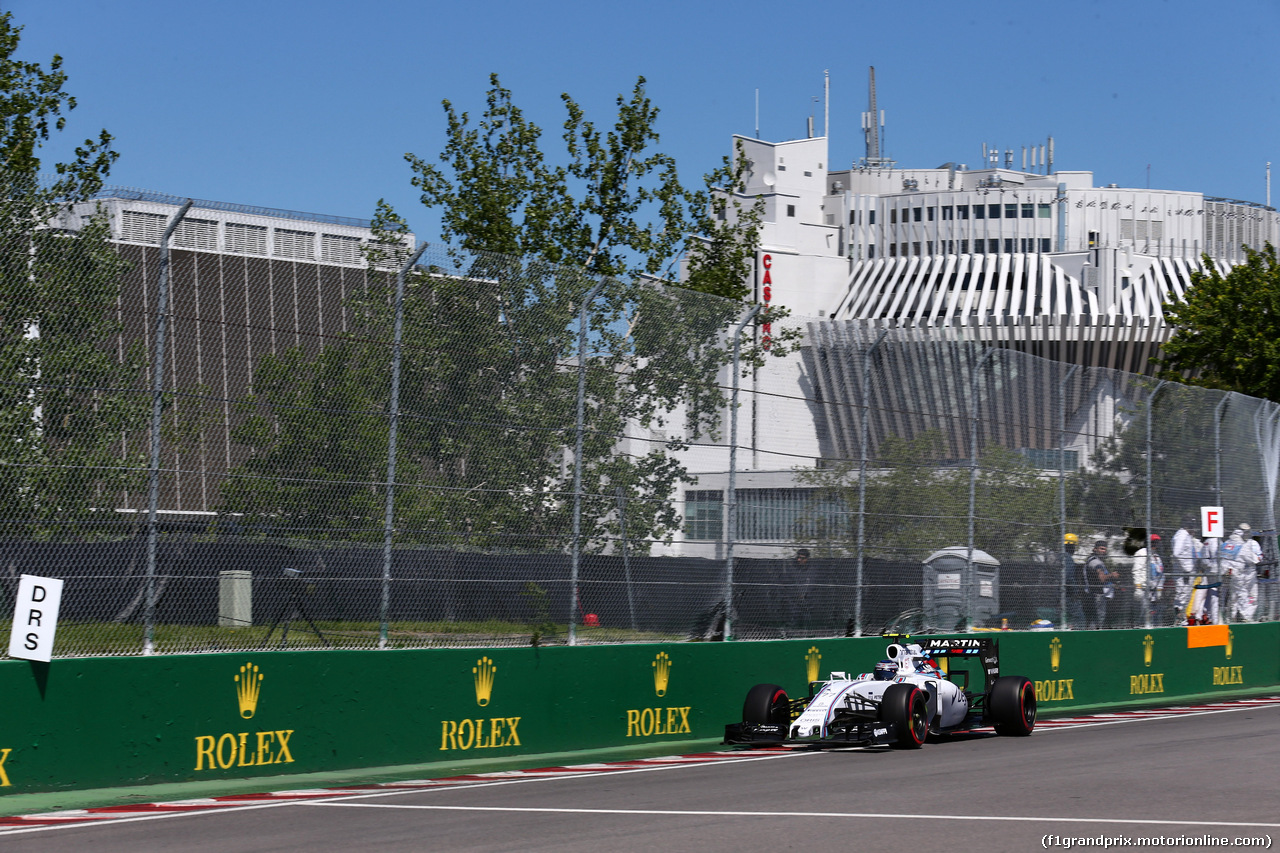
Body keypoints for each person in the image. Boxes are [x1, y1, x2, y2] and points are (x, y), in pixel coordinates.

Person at [1227, 524, 1262, 622]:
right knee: (1234, 597)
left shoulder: (1253, 543)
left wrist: (1255, 558)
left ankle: (1246, 616)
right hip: (1238, 574)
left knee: (1252, 596)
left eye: (1247, 531)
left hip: (1250, 574)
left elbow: (1259, 557)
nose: (1245, 533)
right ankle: (1232, 618)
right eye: (1243, 531)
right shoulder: (1235, 543)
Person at [1171, 515, 1200, 625]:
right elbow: (1176, 553)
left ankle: (1181, 618)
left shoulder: (1186, 535)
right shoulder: (1182, 535)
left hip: (1185, 571)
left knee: (1185, 595)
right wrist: (1186, 569)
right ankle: (1179, 619)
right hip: (1183, 572)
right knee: (1182, 594)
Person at [1062, 533, 1093, 629]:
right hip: (1068, 595)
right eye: (1074, 546)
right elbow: (1068, 578)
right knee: (1079, 618)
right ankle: (1078, 638)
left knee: (1067, 618)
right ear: (1071, 546)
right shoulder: (1068, 559)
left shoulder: (1058, 557)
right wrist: (1075, 592)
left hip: (1059, 594)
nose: (1074, 548)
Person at [1085, 540, 1118, 629]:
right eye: (1101, 549)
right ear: (1095, 549)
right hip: (1097, 595)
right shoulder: (1096, 562)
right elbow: (1102, 578)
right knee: (1098, 619)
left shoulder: (1096, 561)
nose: (1103, 551)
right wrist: (1112, 575)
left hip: (1096, 594)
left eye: (1105, 549)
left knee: (1096, 619)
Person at [1134, 533, 1165, 625]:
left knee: (1153, 614)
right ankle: (1139, 628)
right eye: (1153, 542)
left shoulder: (1157, 556)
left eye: (1157, 542)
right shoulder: (1142, 553)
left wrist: (1159, 589)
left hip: (1154, 591)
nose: (1155, 544)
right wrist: (1138, 587)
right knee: (1143, 613)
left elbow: (1161, 574)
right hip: (1144, 590)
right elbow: (1137, 570)